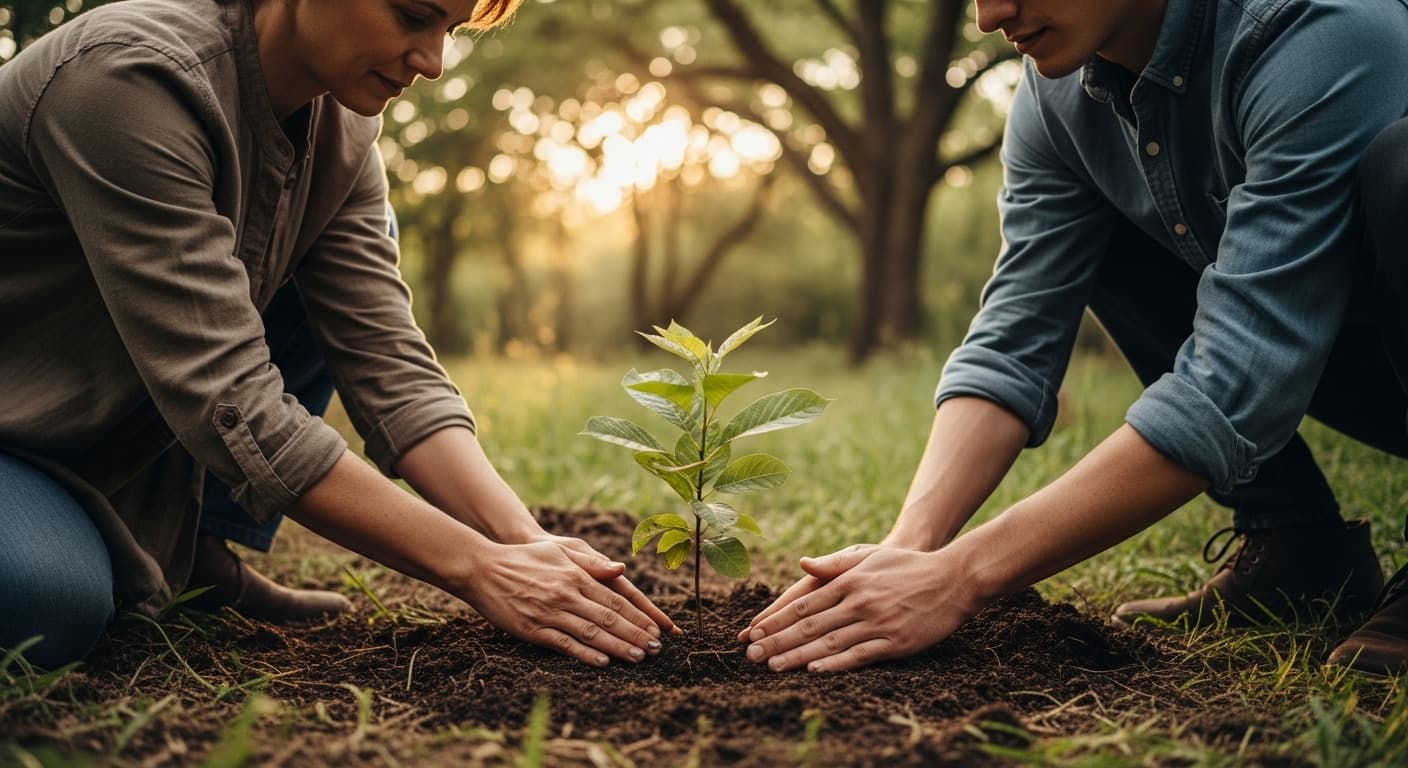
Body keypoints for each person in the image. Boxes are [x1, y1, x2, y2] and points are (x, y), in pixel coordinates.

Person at [0, 0, 678, 671]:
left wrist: (523, 541)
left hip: (99, 428)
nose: (435, 62)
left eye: (452, 29)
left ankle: (197, 554)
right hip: (17, 445)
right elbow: (229, 397)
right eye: (414, 17)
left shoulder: (342, 134)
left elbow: (390, 363)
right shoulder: (129, 81)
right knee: (51, 606)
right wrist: (478, 569)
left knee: (320, 234)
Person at [739, 0, 1408, 676]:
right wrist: (911, 547)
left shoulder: (1319, 32)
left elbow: (1237, 381)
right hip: (1344, 354)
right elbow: (1013, 338)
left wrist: (962, 575)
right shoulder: (1059, 92)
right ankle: (1299, 552)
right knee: (1114, 207)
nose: (989, 15)